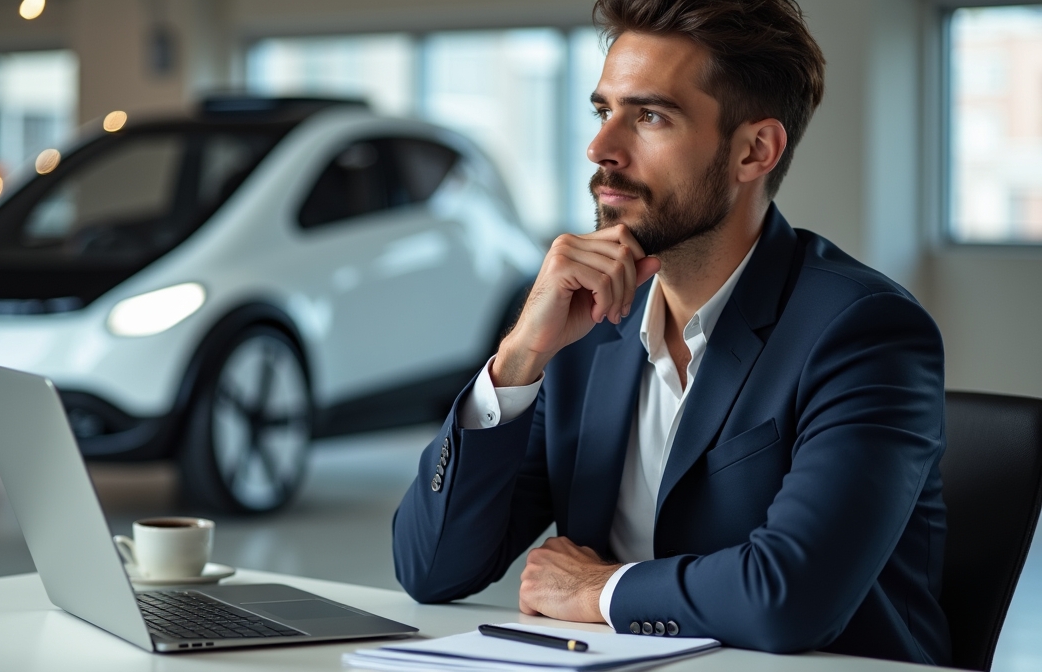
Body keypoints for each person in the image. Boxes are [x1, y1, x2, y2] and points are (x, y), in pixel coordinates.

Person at [392, 0, 951, 665]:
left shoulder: (863, 332)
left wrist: (598, 591)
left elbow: (789, 599)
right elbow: (432, 570)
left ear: (754, 151)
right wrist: (519, 359)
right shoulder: (586, 329)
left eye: (650, 115)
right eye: (604, 111)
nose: (601, 148)